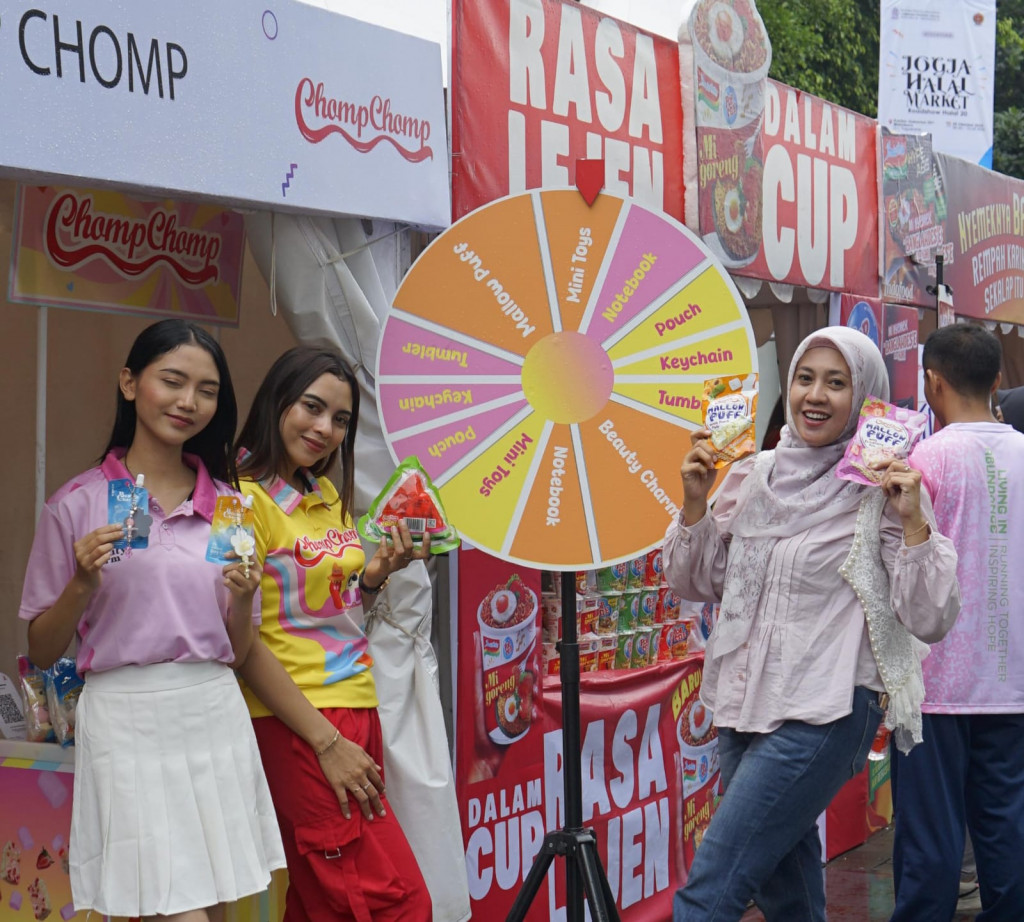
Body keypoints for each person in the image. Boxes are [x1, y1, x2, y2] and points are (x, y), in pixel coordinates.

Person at [665, 326, 961, 922]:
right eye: (805, 378)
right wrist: (696, 503)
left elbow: (930, 616)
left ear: (867, 396)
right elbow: (698, 582)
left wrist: (913, 525)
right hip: (743, 704)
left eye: (837, 382)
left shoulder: (880, 491)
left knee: (711, 889)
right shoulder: (755, 475)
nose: (815, 396)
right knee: (786, 891)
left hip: (826, 710)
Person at [18, 319, 286, 921]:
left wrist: (242, 599)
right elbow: (40, 648)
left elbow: (239, 649)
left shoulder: (231, 504)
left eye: (207, 390)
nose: (189, 402)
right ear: (130, 382)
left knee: (214, 904)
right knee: (173, 910)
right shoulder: (77, 504)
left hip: (213, 711)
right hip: (126, 719)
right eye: (173, 380)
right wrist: (82, 584)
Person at [233, 345, 433, 922]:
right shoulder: (242, 500)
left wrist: (371, 579)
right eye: (312, 408)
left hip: (355, 706)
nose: (325, 429)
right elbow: (243, 644)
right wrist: (324, 741)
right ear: (278, 402)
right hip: (301, 718)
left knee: (323, 898)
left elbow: (323, 609)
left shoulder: (323, 497)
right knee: (389, 904)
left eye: (341, 420)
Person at [890, 323, 1024, 922]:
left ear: (932, 383)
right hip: (1013, 681)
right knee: (1008, 833)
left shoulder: (922, 461)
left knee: (931, 845)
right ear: (999, 380)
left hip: (936, 686)